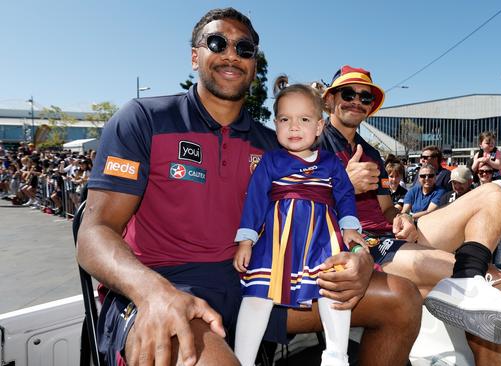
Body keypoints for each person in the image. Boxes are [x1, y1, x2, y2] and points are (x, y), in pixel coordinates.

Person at [77, 10, 421, 366]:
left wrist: (361, 257)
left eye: (244, 48)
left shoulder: (276, 145)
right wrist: (152, 292)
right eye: (216, 43)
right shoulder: (144, 118)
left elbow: (327, 220)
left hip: (256, 284)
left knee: (402, 300)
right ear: (195, 56)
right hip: (164, 288)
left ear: (254, 66)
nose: (231, 54)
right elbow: (94, 232)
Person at [319, 65, 501, 363]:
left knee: (495, 195)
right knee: (495, 283)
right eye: (348, 93)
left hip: (388, 236)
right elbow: (291, 207)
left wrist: (403, 218)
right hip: (356, 245)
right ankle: (470, 280)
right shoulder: (310, 142)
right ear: (330, 100)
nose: (356, 101)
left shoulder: (371, 153)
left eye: (365, 97)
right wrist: (344, 184)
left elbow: (387, 209)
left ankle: (468, 279)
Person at [233, 78, 366, 366]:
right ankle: (241, 360)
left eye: (304, 119)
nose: (294, 126)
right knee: (257, 294)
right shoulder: (270, 161)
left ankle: (336, 357)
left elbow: (344, 197)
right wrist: (246, 240)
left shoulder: (331, 163)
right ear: (276, 124)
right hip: (276, 240)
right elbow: (255, 201)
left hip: (323, 237)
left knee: (334, 288)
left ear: (319, 126)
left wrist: (351, 229)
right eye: (285, 119)